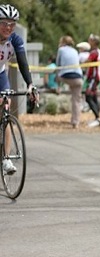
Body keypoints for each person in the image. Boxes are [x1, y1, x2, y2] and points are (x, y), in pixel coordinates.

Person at [0, 4, 37, 173]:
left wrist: (30, 84)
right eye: (4, 23)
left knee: (5, 112)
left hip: (0, 74)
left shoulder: (15, 40)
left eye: (12, 24)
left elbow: (23, 63)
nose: (8, 27)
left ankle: (6, 159)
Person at [56, 35, 83, 129]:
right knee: (76, 101)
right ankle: (76, 122)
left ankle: (58, 88)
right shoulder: (75, 51)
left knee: (57, 76)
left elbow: (58, 65)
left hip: (66, 76)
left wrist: (58, 82)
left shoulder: (61, 50)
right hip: (78, 77)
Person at [84, 34, 100, 127]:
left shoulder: (94, 52)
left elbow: (87, 62)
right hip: (94, 77)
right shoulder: (97, 52)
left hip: (94, 77)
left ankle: (98, 118)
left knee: (88, 96)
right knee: (94, 97)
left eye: (90, 40)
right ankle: (97, 117)